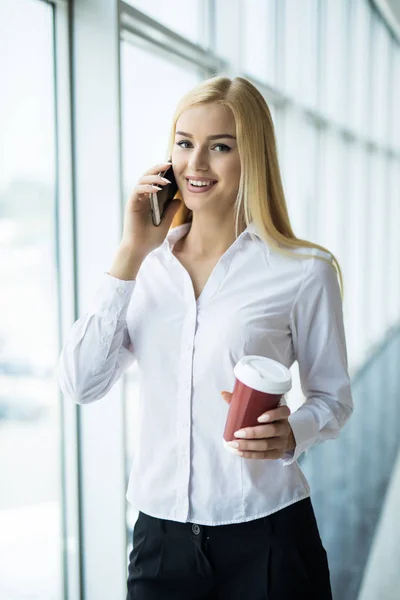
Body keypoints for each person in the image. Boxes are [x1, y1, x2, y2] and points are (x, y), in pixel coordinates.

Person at [58, 76, 353, 600]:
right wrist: (130, 252)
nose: (195, 165)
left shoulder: (304, 271)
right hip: (160, 541)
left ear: (253, 158)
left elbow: (333, 400)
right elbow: (81, 384)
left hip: (269, 538)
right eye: (184, 142)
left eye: (220, 147)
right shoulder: (145, 268)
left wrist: (294, 433)